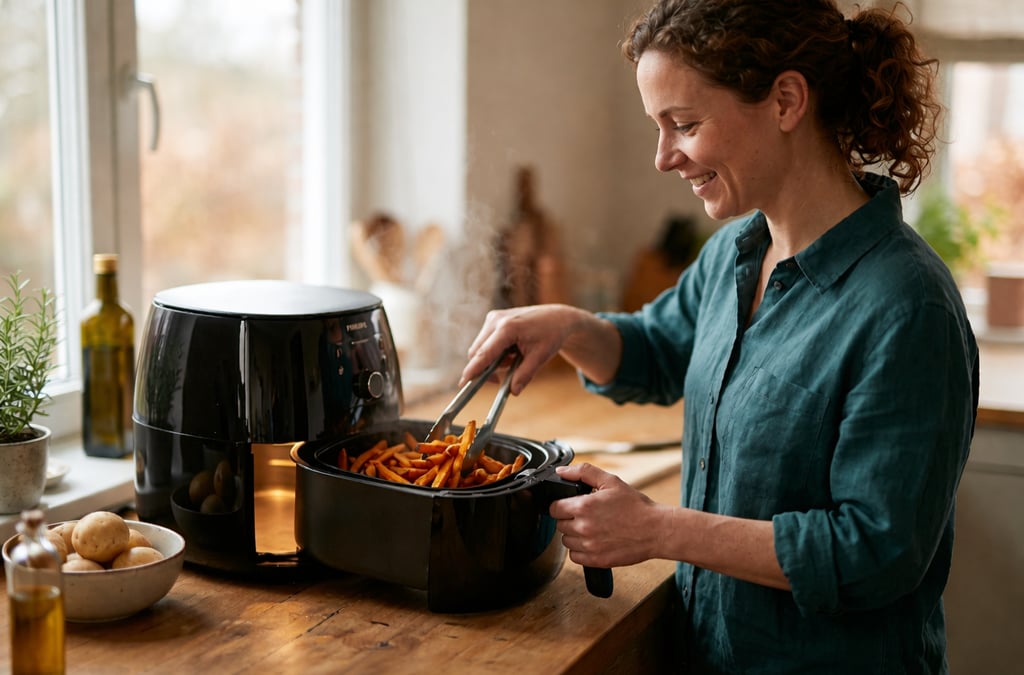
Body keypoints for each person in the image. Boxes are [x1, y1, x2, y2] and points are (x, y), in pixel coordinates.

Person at [459, 1, 979, 672]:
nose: (663, 157)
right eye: (659, 127)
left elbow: (873, 553)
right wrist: (567, 325)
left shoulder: (908, 309)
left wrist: (655, 529)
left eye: (684, 124)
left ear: (787, 100)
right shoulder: (737, 250)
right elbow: (658, 349)